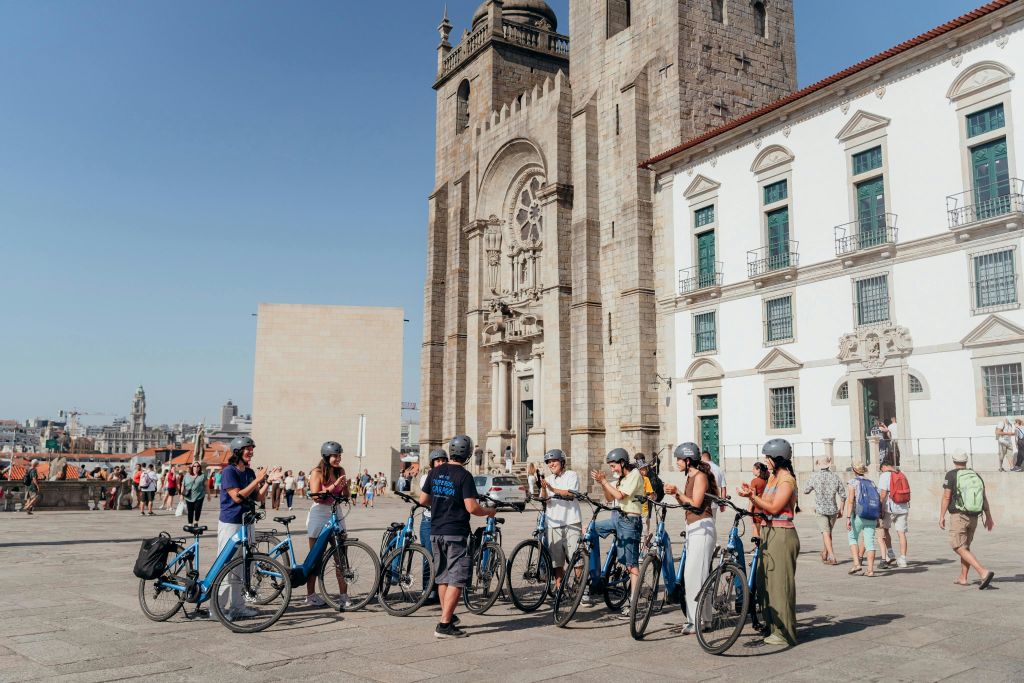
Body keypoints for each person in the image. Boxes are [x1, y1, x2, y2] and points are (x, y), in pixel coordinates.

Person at [420, 434, 496, 639]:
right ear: (469, 453)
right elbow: (471, 507)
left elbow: (423, 499)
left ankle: (449, 616)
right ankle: (444, 624)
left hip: (436, 530)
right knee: (457, 578)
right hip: (455, 532)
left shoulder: (435, 472)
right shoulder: (464, 476)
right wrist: (489, 511)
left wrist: (440, 504)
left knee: (443, 576)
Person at [738, 439, 799, 647]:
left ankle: (784, 632)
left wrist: (753, 499)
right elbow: (765, 505)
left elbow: (774, 508)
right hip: (769, 532)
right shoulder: (773, 478)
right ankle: (772, 625)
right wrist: (752, 495)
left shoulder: (786, 480)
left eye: (768, 457)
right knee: (766, 585)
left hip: (782, 534)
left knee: (780, 585)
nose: (766, 461)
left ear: (777, 458)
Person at [219, 436, 275, 620]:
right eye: (248, 449)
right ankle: (217, 607)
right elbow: (237, 497)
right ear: (238, 451)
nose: (251, 452)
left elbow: (258, 497)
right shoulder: (229, 472)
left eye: (252, 449)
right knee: (227, 564)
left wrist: (267, 481)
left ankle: (237, 607)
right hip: (232, 522)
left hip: (248, 522)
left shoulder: (250, 472)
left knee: (244, 566)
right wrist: (257, 479)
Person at [664, 442, 718, 635]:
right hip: (694, 528)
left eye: (678, 459)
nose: (677, 463)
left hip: (702, 528)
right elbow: (687, 505)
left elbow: (695, 503)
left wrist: (678, 492)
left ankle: (696, 621)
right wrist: (676, 495)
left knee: (696, 576)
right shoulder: (690, 476)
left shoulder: (700, 476)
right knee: (696, 575)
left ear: (687, 460)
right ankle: (705, 619)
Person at [592, 448, 644, 619]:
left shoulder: (635, 474)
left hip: (630, 521)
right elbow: (609, 498)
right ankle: (593, 571)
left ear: (622, 463)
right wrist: (603, 484)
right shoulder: (622, 477)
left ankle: (633, 602)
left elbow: (620, 496)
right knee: (590, 529)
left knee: (632, 565)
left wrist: (605, 482)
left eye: (613, 465)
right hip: (618, 518)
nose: (612, 469)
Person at [306, 441, 352, 607]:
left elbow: (345, 494)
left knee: (341, 556)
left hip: (336, 511)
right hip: (319, 513)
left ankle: (344, 595)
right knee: (316, 557)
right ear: (326, 456)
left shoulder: (340, 471)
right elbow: (315, 495)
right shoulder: (317, 472)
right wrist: (333, 486)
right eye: (335, 456)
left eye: (339, 456)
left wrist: (346, 487)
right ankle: (310, 595)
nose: (338, 459)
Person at [940, 450, 995, 588]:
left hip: (959, 515)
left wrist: (941, 516)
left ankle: (983, 572)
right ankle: (963, 578)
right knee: (965, 547)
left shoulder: (951, 475)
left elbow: (946, 497)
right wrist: (989, 517)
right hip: (974, 516)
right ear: (966, 461)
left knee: (957, 546)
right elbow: (984, 497)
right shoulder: (975, 475)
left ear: (953, 461)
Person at [538, 449, 582, 589]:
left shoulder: (571, 475)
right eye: (549, 462)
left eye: (554, 461)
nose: (551, 464)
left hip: (571, 521)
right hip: (553, 523)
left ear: (562, 462)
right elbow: (544, 500)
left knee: (576, 560)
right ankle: (559, 589)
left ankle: (579, 588)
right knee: (557, 562)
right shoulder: (549, 479)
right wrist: (544, 488)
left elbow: (571, 494)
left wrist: (553, 489)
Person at [803, 456, 846, 565]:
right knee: (828, 533)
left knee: (825, 533)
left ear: (819, 465)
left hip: (820, 509)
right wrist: (841, 509)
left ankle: (832, 556)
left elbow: (806, 490)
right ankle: (825, 553)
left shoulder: (815, 477)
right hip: (833, 509)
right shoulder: (835, 477)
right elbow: (843, 495)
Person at [420, 449, 449, 602]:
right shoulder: (427, 476)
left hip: (445, 521)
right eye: (437, 461)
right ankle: (427, 589)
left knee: (443, 558)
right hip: (429, 521)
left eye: (443, 460)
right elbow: (425, 498)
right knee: (429, 557)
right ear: (432, 463)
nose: (440, 463)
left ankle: (440, 590)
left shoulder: (449, 476)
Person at [844, 463, 879, 577]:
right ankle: (870, 570)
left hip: (858, 515)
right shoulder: (871, 483)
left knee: (852, 537)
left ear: (854, 470)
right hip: (872, 516)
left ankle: (856, 564)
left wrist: (848, 517)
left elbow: (850, 501)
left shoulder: (853, 482)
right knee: (870, 543)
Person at [877, 456, 910, 568]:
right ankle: (903, 559)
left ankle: (890, 553)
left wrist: (879, 508)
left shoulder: (885, 475)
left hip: (889, 508)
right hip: (903, 507)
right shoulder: (902, 474)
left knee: (884, 530)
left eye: (882, 468)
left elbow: (883, 494)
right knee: (901, 533)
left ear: (884, 466)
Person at [749, 462, 769, 539]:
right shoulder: (766, 481)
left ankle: (758, 549)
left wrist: (749, 510)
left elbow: (752, 497)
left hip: (756, 508)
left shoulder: (755, 481)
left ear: (758, 470)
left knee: (755, 530)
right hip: (765, 507)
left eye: (754, 469)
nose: (752, 470)